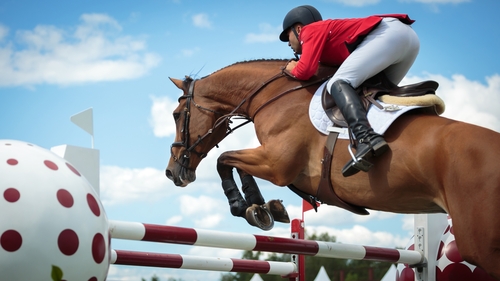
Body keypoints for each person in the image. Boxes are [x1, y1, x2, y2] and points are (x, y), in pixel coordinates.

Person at [279, 5, 420, 177]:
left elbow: (305, 70)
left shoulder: (310, 30)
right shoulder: (325, 40)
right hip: (409, 40)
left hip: (389, 34)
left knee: (337, 83)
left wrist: (291, 68)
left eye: (288, 36)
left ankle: (366, 138)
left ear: (299, 28)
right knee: (375, 92)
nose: (288, 43)